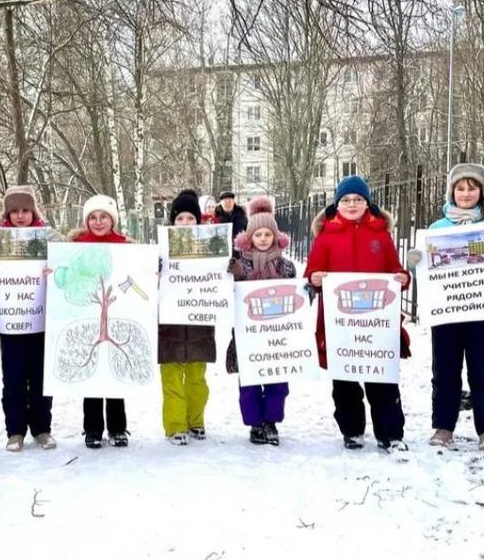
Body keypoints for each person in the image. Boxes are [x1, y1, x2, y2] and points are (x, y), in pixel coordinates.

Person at [406, 164, 484, 452]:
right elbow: (430, 277)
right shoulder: (437, 229)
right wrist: (417, 262)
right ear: (451, 192)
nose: (466, 193)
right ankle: (444, 426)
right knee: (444, 370)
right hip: (447, 312)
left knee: (483, 371)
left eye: (472, 188)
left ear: (481, 192)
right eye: (460, 188)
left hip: (481, 309)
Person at [303, 175, 411, 451]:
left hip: (376, 323)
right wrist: (315, 278)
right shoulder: (325, 237)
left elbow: (395, 269)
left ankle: (390, 433)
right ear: (337, 204)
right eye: (346, 200)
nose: (352, 204)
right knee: (344, 381)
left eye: (358, 200)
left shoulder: (381, 235)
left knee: (381, 380)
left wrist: (402, 278)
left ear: (367, 203)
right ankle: (351, 430)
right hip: (340, 324)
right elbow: (311, 273)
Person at [0, 185, 59, 451]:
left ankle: (42, 429)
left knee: (41, 377)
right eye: (15, 211)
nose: (20, 216)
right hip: (11, 321)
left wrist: (59, 247)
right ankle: (15, 431)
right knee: (13, 378)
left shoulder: (45, 237)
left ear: (33, 212)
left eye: (25, 210)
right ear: (7, 213)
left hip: (41, 319)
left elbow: (66, 264)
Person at [227, 195, 295, 445]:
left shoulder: (286, 266)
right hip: (248, 335)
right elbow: (228, 292)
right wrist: (232, 274)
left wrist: (306, 292)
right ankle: (255, 423)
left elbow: (296, 295)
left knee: (277, 381)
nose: (263, 238)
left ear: (275, 236)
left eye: (268, 234)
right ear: (249, 238)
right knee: (249, 382)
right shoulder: (240, 266)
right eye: (258, 234)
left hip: (278, 335)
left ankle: (271, 422)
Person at [67, 194, 131, 448]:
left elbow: (135, 276)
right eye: (93, 217)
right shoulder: (75, 247)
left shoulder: (126, 247)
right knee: (92, 374)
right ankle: (92, 428)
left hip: (117, 315)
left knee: (114, 372)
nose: (98, 221)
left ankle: (118, 428)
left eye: (104, 216)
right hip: (87, 317)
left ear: (112, 220)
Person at [158, 190, 215, 445]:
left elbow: (219, 278)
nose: (184, 224)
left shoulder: (211, 247)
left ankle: (195, 421)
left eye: (190, 218)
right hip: (170, 321)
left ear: (198, 221)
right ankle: (175, 426)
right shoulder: (161, 248)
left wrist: (228, 267)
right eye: (179, 218)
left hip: (199, 321)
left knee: (196, 378)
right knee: (171, 377)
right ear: (173, 221)